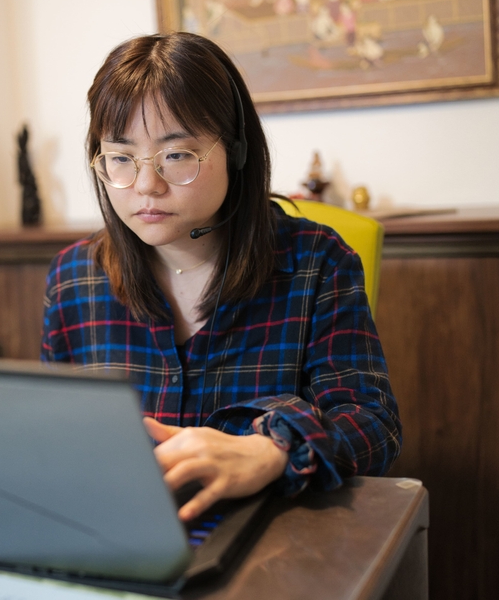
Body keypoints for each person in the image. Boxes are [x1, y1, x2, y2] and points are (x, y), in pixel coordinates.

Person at [41, 32, 400, 521]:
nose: (146, 185)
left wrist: (274, 451)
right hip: (124, 536)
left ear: (235, 150)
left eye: (176, 155)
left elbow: (372, 425)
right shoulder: (73, 280)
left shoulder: (316, 263)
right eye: (121, 158)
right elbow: (54, 437)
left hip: (268, 538)